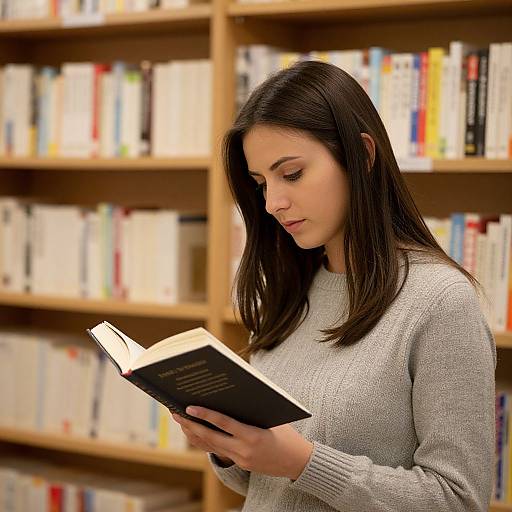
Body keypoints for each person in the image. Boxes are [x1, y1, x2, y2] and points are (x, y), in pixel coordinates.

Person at [170, 60, 496, 512]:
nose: (273, 203)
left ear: (361, 155)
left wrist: (304, 462)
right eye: (261, 183)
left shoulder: (439, 302)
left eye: (293, 174)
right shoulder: (291, 289)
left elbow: (459, 500)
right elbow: (268, 488)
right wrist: (228, 445)